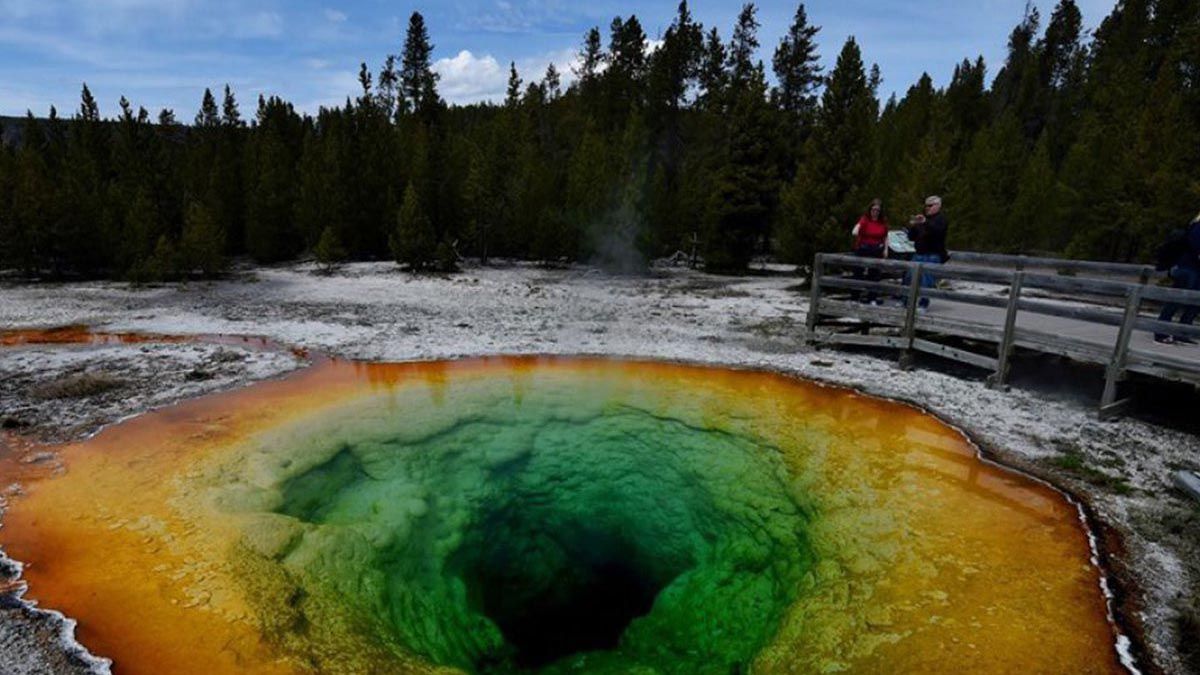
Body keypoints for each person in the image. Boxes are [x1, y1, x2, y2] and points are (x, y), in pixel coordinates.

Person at [1155, 211, 1200, 344]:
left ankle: (1182, 332)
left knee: (1195, 302)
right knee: (1177, 299)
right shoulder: (1197, 226)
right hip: (1188, 267)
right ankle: (1161, 332)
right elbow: (1195, 245)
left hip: (1196, 269)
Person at [905, 195, 949, 309]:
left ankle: (923, 304)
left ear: (938, 206)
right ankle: (905, 302)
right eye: (926, 206)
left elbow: (937, 232)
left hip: (932, 255)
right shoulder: (923, 219)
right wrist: (913, 226)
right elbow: (911, 237)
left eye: (930, 206)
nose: (927, 208)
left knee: (925, 281)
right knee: (908, 278)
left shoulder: (941, 219)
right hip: (919, 253)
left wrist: (925, 222)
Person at [851, 198, 888, 303]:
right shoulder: (865, 219)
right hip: (864, 248)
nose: (875, 212)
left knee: (874, 274)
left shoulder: (882, 221)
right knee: (858, 273)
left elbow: (885, 236)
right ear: (870, 209)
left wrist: (885, 249)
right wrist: (858, 228)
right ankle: (855, 297)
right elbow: (855, 231)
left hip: (877, 249)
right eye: (873, 209)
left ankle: (872, 298)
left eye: (877, 210)